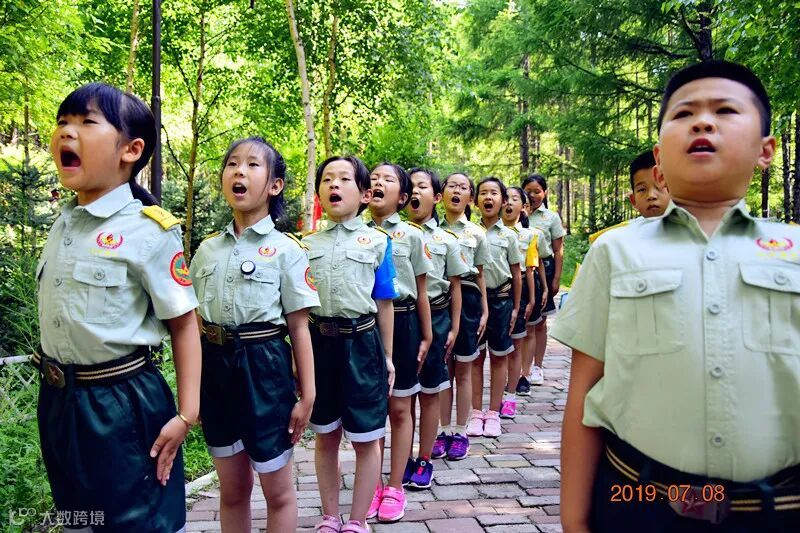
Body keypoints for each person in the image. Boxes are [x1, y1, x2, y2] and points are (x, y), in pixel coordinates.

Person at [554, 60, 800, 532]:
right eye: (684, 113)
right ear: (659, 157)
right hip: (640, 502)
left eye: (725, 110)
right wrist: (574, 521)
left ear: (766, 150)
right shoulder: (615, 251)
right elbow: (584, 394)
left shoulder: (793, 250)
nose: (703, 122)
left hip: (779, 512)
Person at [37, 82, 201, 531]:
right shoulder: (63, 224)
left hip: (121, 404)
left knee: (137, 522)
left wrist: (187, 415)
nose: (67, 132)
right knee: (78, 518)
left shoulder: (149, 231)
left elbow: (185, 324)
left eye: (87, 122)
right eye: (62, 122)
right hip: (59, 401)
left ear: (131, 150)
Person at [189, 137, 318, 532]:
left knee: (277, 493)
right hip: (215, 368)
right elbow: (192, 324)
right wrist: (192, 392)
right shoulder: (207, 250)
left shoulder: (287, 250)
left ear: (275, 185)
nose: (239, 171)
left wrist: (308, 395)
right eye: (232, 164)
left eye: (252, 165)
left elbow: (299, 326)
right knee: (232, 490)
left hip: (265, 369)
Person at [303, 155, 398, 533]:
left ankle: (357, 520)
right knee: (325, 434)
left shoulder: (378, 242)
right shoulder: (305, 244)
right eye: (327, 179)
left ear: (364, 195)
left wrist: (387, 356)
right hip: (319, 344)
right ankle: (330, 516)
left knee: (367, 436)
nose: (334, 185)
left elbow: (385, 302)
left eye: (344, 179)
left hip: (362, 345)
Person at [366, 162, 433, 522]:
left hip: (405, 323)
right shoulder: (356, 234)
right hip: (365, 326)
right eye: (374, 178)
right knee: (373, 409)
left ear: (403, 197)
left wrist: (428, 334)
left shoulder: (412, 236)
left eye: (388, 179)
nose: (378, 182)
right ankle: (371, 485)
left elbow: (422, 292)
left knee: (400, 407)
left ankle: (395, 486)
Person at [405, 167, 468, 487]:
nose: (416, 192)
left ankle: (425, 458)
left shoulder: (446, 240)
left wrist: (454, 328)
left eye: (423, 187)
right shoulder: (392, 235)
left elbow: (455, 286)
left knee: (430, 391)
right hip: (403, 319)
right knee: (403, 395)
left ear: (437, 197)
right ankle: (402, 457)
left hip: (438, 317)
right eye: (411, 187)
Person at [437, 172, 490, 460]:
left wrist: (484, 310)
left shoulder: (477, 233)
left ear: (470, 197)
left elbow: (480, 275)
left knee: (464, 369)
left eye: (463, 187)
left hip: (468, 300)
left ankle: (461, 432)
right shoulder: (430, 231)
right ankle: (443, 430)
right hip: (439, 300)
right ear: (441, 193)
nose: (457, 191)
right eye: (452, 186)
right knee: (443, 368)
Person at [467, 177, 522, 438]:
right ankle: (476, 412)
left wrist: (516, 308)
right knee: (475, 358)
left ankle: (493, 413)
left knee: (499, 356)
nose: (489, 198)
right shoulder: (468, 233)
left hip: (501, 301)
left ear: (502, 200)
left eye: (494, 193)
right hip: (475, 302)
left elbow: (517, 273)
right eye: (484, 193)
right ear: (476, 200)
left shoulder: (509, 236)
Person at [502, 186, 547, 401]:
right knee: (507, 334)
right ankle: (507, 375)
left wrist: (541, 291)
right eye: (506, 198)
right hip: (502, 287)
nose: (509, 202)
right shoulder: (490, 234)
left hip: (526, 285)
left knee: (527, 331)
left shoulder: (531, 235)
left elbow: (534, 265)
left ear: (524, 207)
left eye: (515, 199)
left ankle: (524, 375)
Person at [523, 174, 566, 385]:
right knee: (522, 321)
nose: (532, 195)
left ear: (545, 193)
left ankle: (537, 367)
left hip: (544, 271)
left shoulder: (551, 217)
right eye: (528, 191)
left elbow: (558, 250)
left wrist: (556, 278)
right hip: (520, 271)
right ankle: (521, 368)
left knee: (539, 322)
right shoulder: (515, 213)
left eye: (537, 191)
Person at [588, 151, 670, 244]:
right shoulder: (612, 241)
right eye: (642, 189)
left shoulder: (684, 233)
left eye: (659, 186)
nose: (651, 195)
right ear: (633, 200)